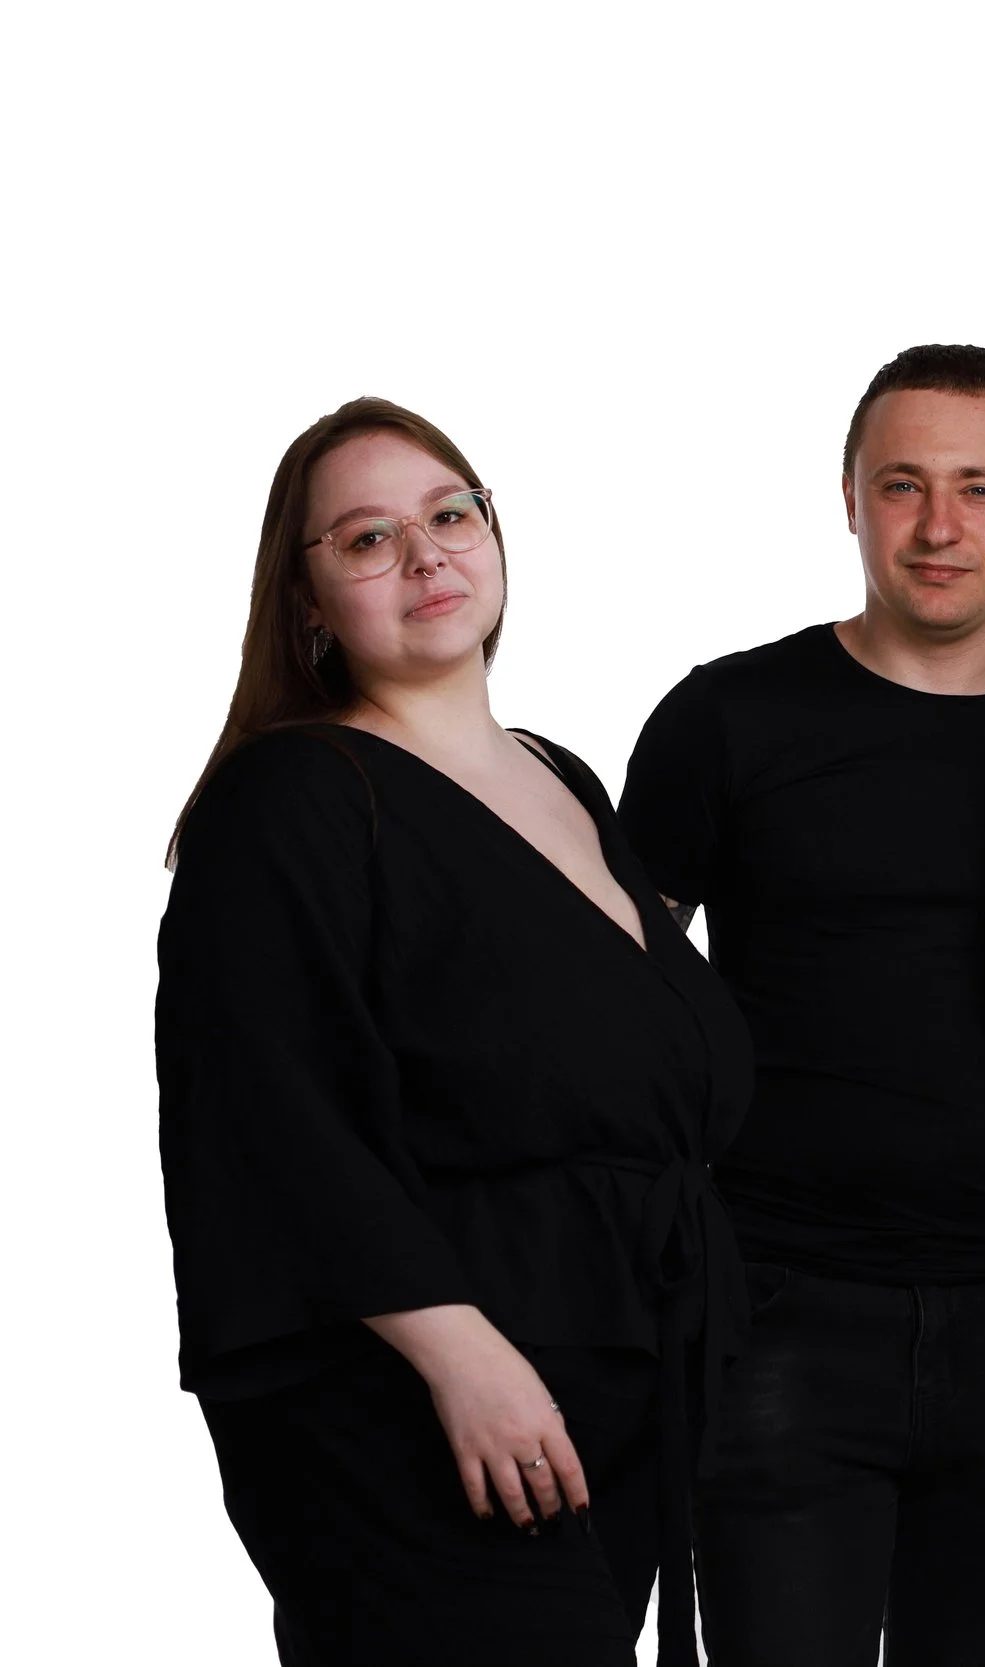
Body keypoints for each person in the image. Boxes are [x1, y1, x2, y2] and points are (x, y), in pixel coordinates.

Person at [156, 398, 751, 1667]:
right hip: (413, 1394)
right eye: (368, 538)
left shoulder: (559, 774)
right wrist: (461, 1355)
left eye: (449, 513)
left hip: (612, 1371)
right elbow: (273, 1116)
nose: (425, 553)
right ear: (308, 600)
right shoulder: (293, 795)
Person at [616, 345, 985, 1665]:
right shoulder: (728, 717)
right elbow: (613, 1001)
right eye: (903, 485)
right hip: (779, 1311)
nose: (939, 526)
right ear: (850, 498)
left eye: (980, 487)